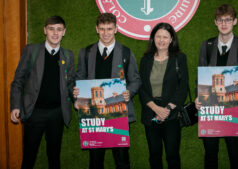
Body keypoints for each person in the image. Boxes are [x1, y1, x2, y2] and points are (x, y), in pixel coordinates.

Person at [74, 13, 141, 169]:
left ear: (116, 29)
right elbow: (79, 79)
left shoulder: (126, 52)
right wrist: (77, 95)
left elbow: (136, 80)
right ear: (96, 29)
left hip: (118, 114)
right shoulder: (85, 53)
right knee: (96, 161)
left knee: (122, 160)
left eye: (109, 29)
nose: (106, 33)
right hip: (93, 115)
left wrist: (129, 92)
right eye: (102, 29)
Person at [195, 4, 238, 169]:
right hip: (210, 111)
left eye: (228, 19)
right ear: (215, 22)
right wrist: (198, 98)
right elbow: (200, 78)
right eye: (220, 20)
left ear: (235, 21)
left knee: (235, 156)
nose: (224, 23)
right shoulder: (206, 46)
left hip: (235, 111)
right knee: (210, 156)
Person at [10, 16, 75, 169]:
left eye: (59, 29)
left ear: (64, 32)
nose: (55, 33)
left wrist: (77, 98)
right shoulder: (31, 50)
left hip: (57, 114)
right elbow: (18, 81)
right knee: (29, 158)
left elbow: (70, 83)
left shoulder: (68, 55)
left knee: (54, 158)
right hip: (34, 113)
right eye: (51, 29)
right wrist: (15, 106)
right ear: (45, 30)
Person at [139, 22, 188, 169]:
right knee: (154, 155)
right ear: (153, 38)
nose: (161, 40)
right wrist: (155, 108)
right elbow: (141, 87)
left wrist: (166, 109)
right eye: (158, 36)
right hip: (150, 114)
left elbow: (183, 87)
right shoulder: (145, 59)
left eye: (165, 37)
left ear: (172, 39)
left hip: (171, 115)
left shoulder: (180, 58)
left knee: (172, 156)